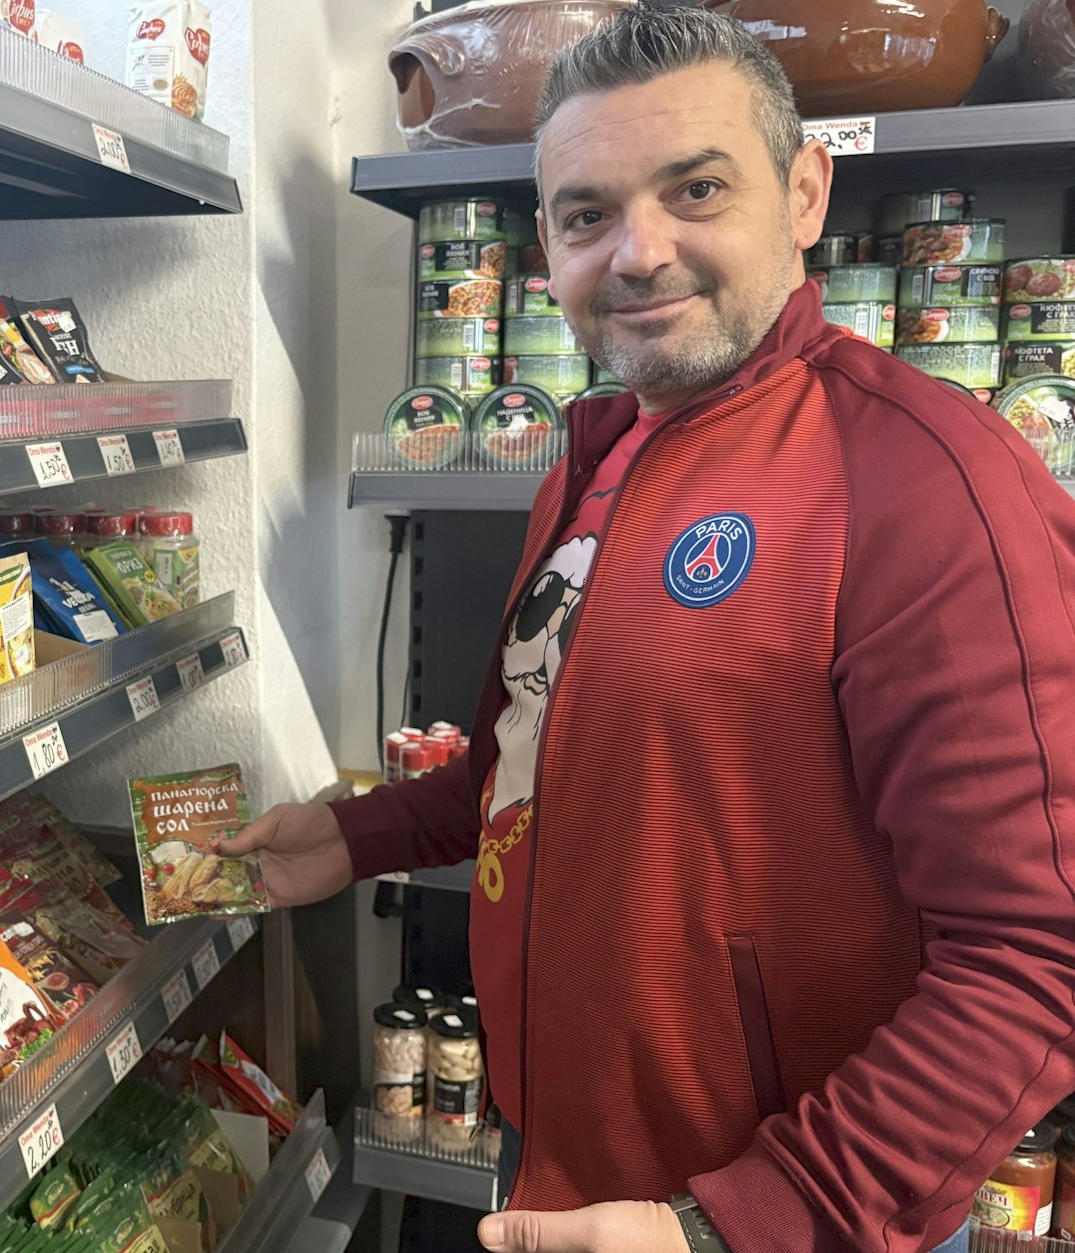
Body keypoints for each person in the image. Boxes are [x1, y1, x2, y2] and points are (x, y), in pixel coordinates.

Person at [223, 9, 1075, 1253]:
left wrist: (740, 1221)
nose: (637, 251)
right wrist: (351, 836)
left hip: (768, 1212)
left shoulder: (927, 476)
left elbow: (1035, 952)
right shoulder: (595, 459)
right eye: (585, 215)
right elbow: (543, 768)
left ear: (801, 193)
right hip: (560, 1161)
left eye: (694, 189)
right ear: (544, 249)